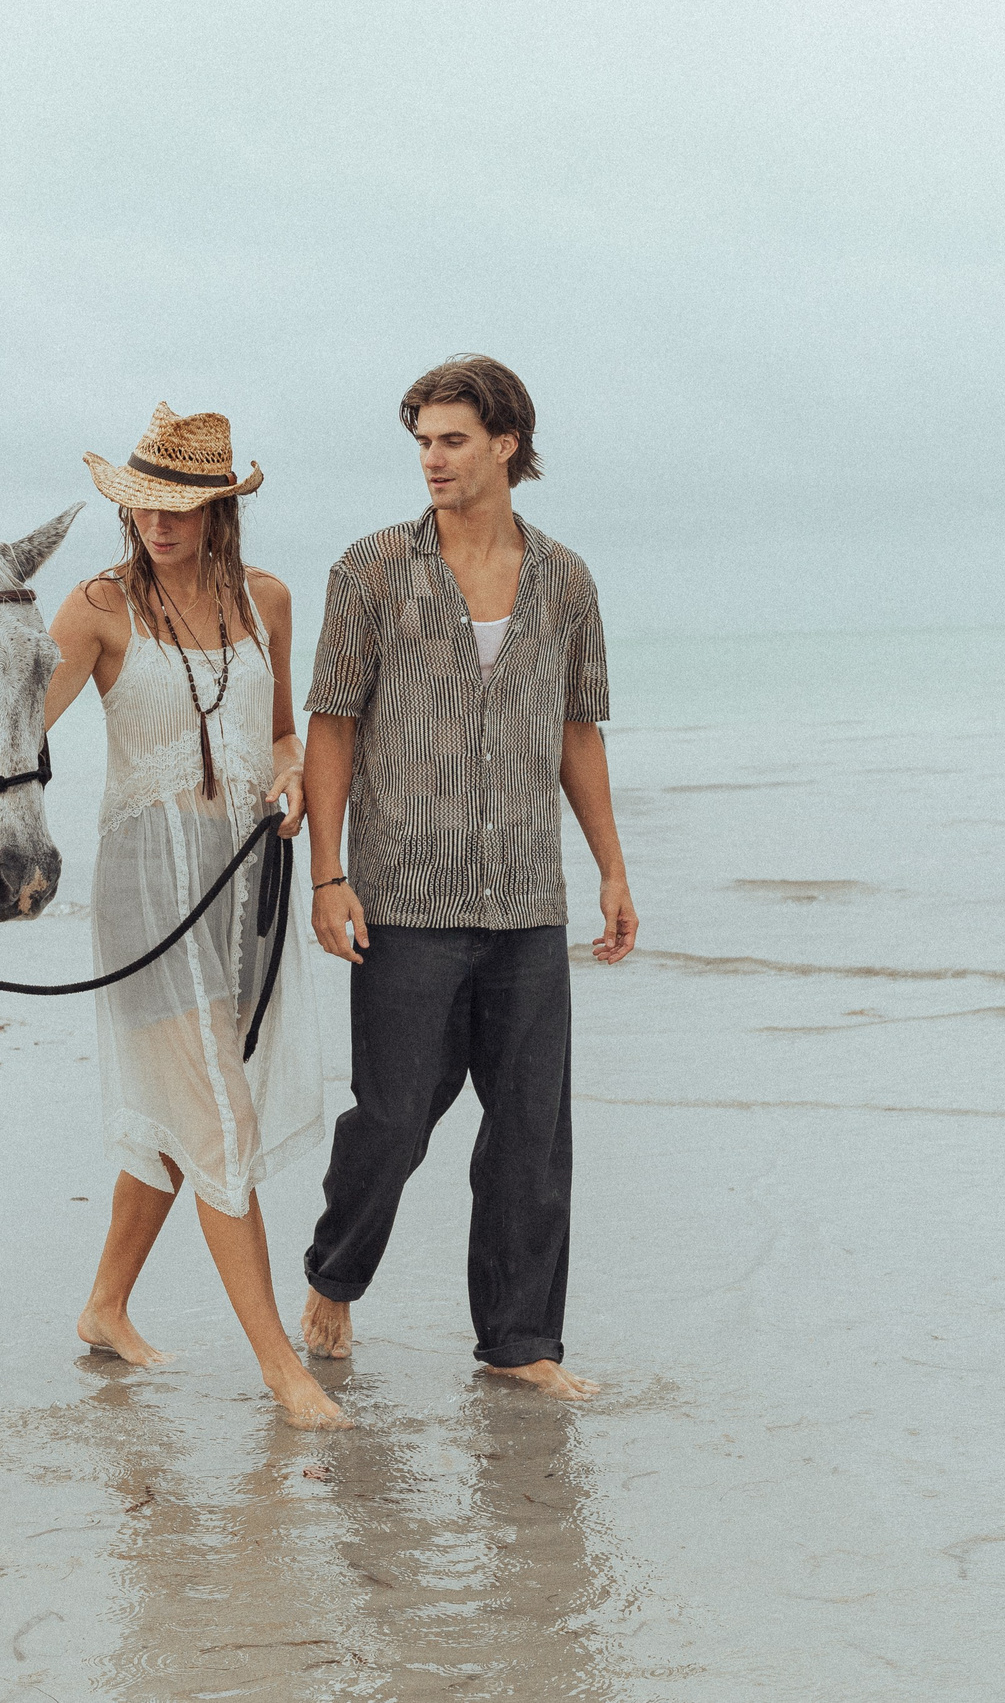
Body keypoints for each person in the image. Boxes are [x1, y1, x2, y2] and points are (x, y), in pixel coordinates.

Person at [0, 403, 347, 1430]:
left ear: (217, 508)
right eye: (139, 505)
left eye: (176, 507)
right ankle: (282, 1374)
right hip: (146, 888)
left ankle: (105, 1306)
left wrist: (292, 783)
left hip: (244, 884)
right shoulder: (97, 608)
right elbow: (2, 743)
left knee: (183, 1109)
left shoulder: (269, 602)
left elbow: (285, 733)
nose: (154, 525)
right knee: (215, 1112)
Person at [298, 355, 638, 1401]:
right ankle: (334, 1274)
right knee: (393, 1118)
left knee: (531, 1134)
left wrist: (611, 872)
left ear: (506, 446)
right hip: (404, 894)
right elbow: (331, 727)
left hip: (527, 899)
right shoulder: (369, 571)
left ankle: (519, 1344)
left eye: (451, 439)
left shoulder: (566, 579)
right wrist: (327, 876)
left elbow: (576, 731)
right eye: (421, 441)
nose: (431, 460)